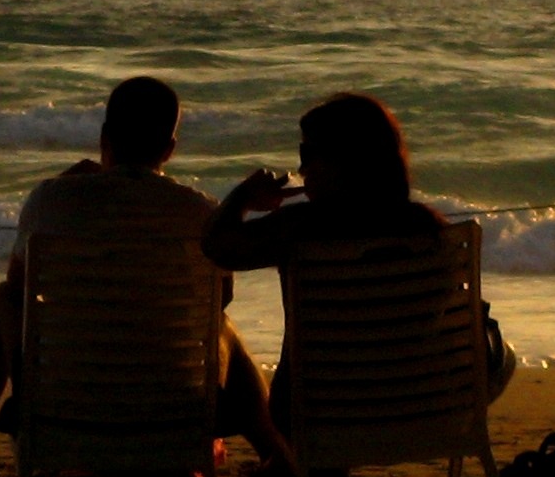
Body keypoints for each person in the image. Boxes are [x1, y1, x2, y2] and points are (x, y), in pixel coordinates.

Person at [0, 75, 288, 477]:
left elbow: (21, 289)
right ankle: (273, 452)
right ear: (169, 150)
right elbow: (220, 298)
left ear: (104, 136)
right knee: (219, 324)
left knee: (3, 300)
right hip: (172, 409)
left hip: (67, 404)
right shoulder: (200, 212)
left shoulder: (50, 200)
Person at [201, 91, 517, 425]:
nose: (301, 167)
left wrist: (242, 198)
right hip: (428, 406)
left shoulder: (300, 229)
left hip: (318, 411)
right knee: (501, 352)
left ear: (344, 159)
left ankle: (310, 462)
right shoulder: (433, 230)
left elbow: (217, 246)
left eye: (309, 153)